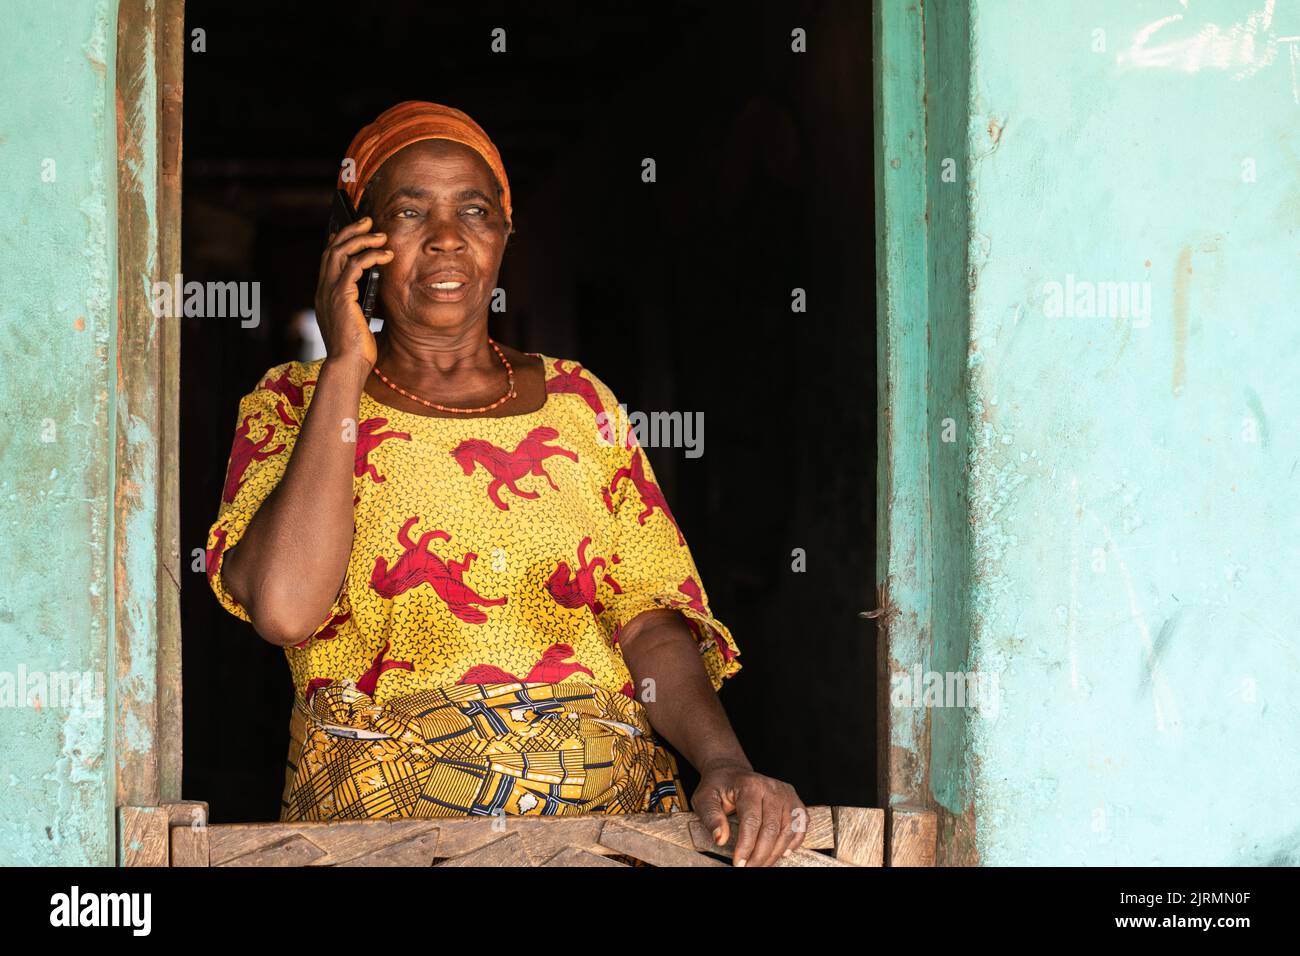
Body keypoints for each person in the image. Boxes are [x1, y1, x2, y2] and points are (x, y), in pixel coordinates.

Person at [205, 101, 805, 866]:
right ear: (357, 241)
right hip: (380, 838)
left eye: (475, 210)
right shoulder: (293, 404)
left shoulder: (580, 402)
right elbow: (287, 609)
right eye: (409, 211)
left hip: (606, 835)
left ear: (503, 236)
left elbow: (649, 621)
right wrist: (347, 367)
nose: (448, 236)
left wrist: (724, 761)